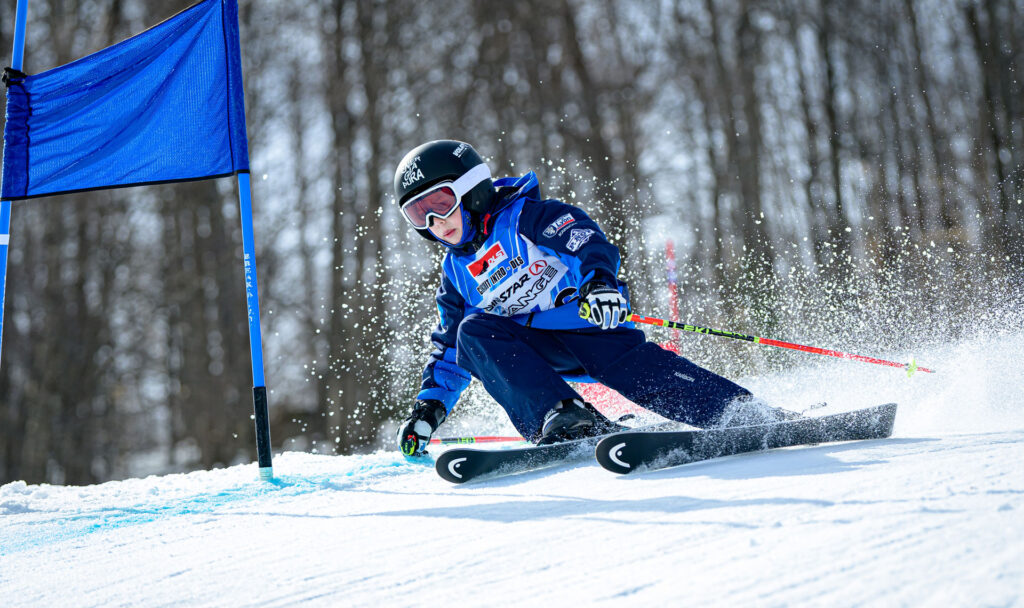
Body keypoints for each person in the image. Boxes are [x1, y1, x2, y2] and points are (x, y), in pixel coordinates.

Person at [393, 140, 795, 456]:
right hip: (537, 351)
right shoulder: (455, 274)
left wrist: (599, 284)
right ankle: (562, 415)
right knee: (472, 332)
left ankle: (736, 411)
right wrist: (429, 410)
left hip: (591, 327)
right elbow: (448, 349)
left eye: (441, 204)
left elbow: (584, 242)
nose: (434, 223)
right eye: (417, 214)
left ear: (472, 190)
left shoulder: (528, 218)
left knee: (636, 374)